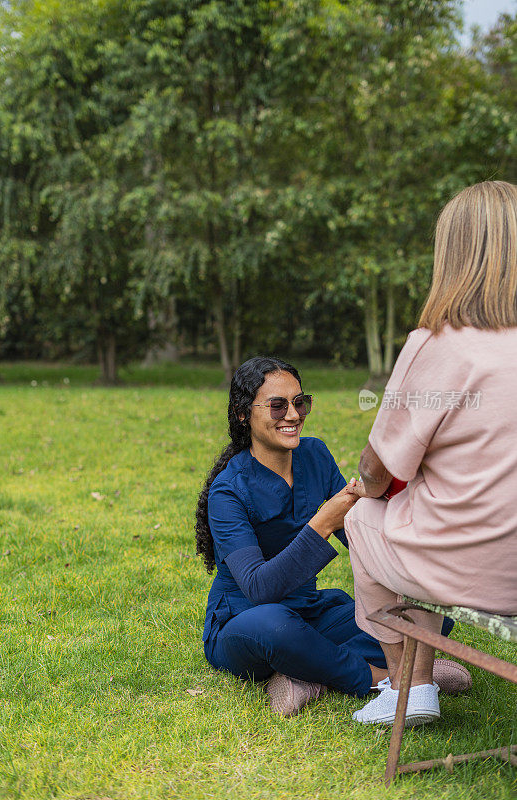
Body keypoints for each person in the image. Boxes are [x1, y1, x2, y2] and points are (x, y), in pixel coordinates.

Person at [340, 180, 517, 727]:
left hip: (478, 573)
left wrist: (371, 487)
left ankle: (409, 687)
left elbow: (378, 470)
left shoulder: (439, 345)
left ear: (453, 255)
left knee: (367, 517)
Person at [195, 356, 462, 715]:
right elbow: (260, 589)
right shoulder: (227, 491)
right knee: (275, 627)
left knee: (428, 612)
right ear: (244, 414)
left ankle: (303, 673)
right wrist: (322, 524)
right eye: (277, 405)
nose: (293, 415)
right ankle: (386, 678)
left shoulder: (315, 454)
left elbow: (358, 535)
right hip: (245, 621)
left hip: (310, 611)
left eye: (300, 402)